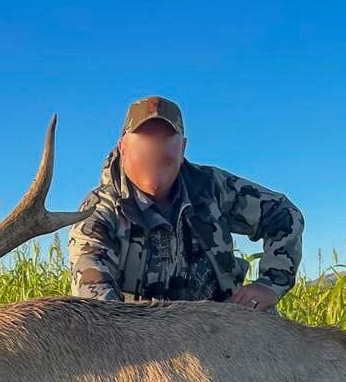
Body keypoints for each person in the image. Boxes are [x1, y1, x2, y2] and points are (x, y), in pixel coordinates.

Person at [68, 95, 303, 309]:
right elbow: (94, 298)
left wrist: (270, 283)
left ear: (183, 147)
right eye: (144, 137)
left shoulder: (212, 186)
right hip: (139, 333)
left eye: (166, 138)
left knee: (265, 320)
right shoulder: (97, 211)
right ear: (122, 146)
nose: (155, 149)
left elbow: (283, 213)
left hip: (223, 322)